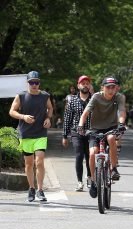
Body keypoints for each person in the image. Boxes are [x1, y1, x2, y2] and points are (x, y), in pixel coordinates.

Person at [77, 76, 126, 198]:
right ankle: (93, 181)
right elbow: (85, 113)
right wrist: (80, 125)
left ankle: (114, 168)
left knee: (110, 139)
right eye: (108, 87)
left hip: (111, 127)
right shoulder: (96, 97)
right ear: (102, 88)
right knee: (93, 153)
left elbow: (121, 111)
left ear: (116, 88)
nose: (110, 89)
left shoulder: (119, 97)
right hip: (95, 129)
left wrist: (121, 124)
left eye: (113, 87)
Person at [9, 71, 53, 202]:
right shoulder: (21, 96)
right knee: (28, 164)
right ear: (27, 83)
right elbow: (12, 111)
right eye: (31, 82)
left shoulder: (45, 96)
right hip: (26, 133)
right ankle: (31, 188)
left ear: (39, 83)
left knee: (39, 161)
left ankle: (40, 190)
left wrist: (48, 119)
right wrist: (23, 117)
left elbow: (50, 108)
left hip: (40, 133)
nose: (34, 85)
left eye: (36, 82)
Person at [62, 75, 92, 191]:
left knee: (90, 155)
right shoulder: (72, 101)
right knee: (79, 155)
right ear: (78, 85)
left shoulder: (94, 99)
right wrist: (65, 136)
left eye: (87, 83)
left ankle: (89, 176)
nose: (85, 85)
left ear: (89, 86)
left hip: (91, 132)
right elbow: (67, 118)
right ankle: (79, 182)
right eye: (82, 83)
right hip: (76, 132)